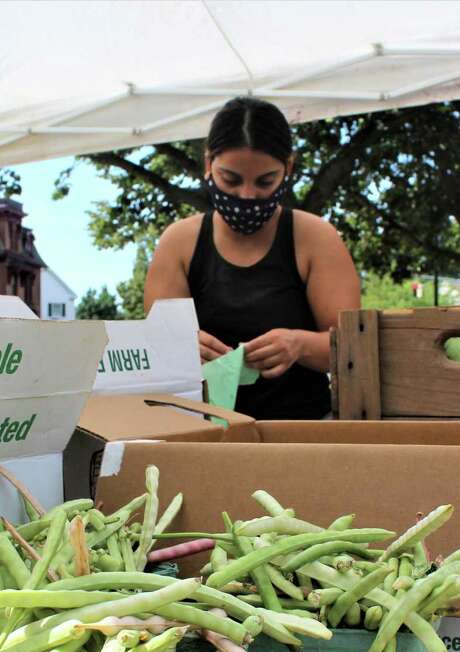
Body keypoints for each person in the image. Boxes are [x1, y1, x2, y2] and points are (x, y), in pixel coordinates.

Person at [143, 97, 361, 420]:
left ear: (288, 169)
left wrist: (299, 345)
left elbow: (354, 347)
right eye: (230, 179)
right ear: (208, 165)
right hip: (203, 434)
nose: (247, 196)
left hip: (302, 433)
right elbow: (153, 349)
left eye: (264, 181)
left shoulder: (316, 238)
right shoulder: (179, 243)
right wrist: (183, 348)